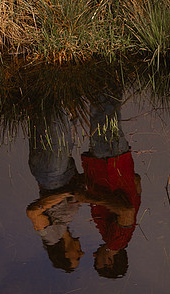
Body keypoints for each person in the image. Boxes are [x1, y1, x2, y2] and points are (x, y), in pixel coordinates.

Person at [75, 93, 142, 279]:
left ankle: (110, 74)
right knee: (101, 108)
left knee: (109, 109)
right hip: (107, 160)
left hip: (116, 159)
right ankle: (103, 73)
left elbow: (137, 182)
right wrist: (88, 197)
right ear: (110, 262)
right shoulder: (116, 241)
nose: (95, 254)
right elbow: (127, 210)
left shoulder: (125, 235)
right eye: (99, 260)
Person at [26, 106, 85, 272]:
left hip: (52, 173)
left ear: (67, 254)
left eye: (77, 256)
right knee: (62, 113)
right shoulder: (62, 229)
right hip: (61, 169)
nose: (82, 252)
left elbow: (33, 213)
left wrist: (65, 194)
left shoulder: (51, 237)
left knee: (53, 111)